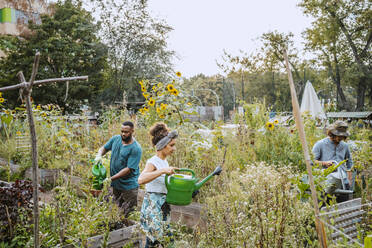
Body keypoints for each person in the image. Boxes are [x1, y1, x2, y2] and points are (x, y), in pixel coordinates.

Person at [138, 122, 178, 248]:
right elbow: (140, 179)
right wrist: (161, 171)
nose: (174, 149)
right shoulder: (153, 162)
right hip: (153, 207)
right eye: (171, 145)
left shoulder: (164, 162)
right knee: (165, 241)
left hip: (162, 207)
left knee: (155, 242)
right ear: (162, 146)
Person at [95, 121, 142, 217]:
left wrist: (110, 179)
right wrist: (99, 155)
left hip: (129, 186)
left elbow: (128, 169)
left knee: (129, 213)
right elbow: (104, 148)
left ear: (132, 131)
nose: (123, 134)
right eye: (122, 131)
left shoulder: (136, 148)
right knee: (113, 210)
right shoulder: (115, 139)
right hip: (115, 184)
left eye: (126, 132)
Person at [312, 120, 353, 195]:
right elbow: (312, 162)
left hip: (342, 181)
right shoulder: (320, 144)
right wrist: (324, 163)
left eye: (342, 136)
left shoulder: (344, 146)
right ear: (332, 133)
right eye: (339, 135)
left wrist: (349, 178)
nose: (341, 138)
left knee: (343, 204)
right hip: (326, 182)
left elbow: (349, 162)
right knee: (326, 203)